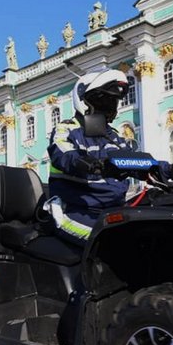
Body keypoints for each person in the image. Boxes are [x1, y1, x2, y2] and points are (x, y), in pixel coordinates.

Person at [47, 69, 132, 245]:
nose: (109, 107)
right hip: (72, 212)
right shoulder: (66, 129)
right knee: (114, 243)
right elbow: (62, 152)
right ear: (84, 101)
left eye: (113, 102)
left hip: (111, 210)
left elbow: (134, 160)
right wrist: (88, 162)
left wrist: (170, 169)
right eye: (104, 101)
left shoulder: (113, 137)